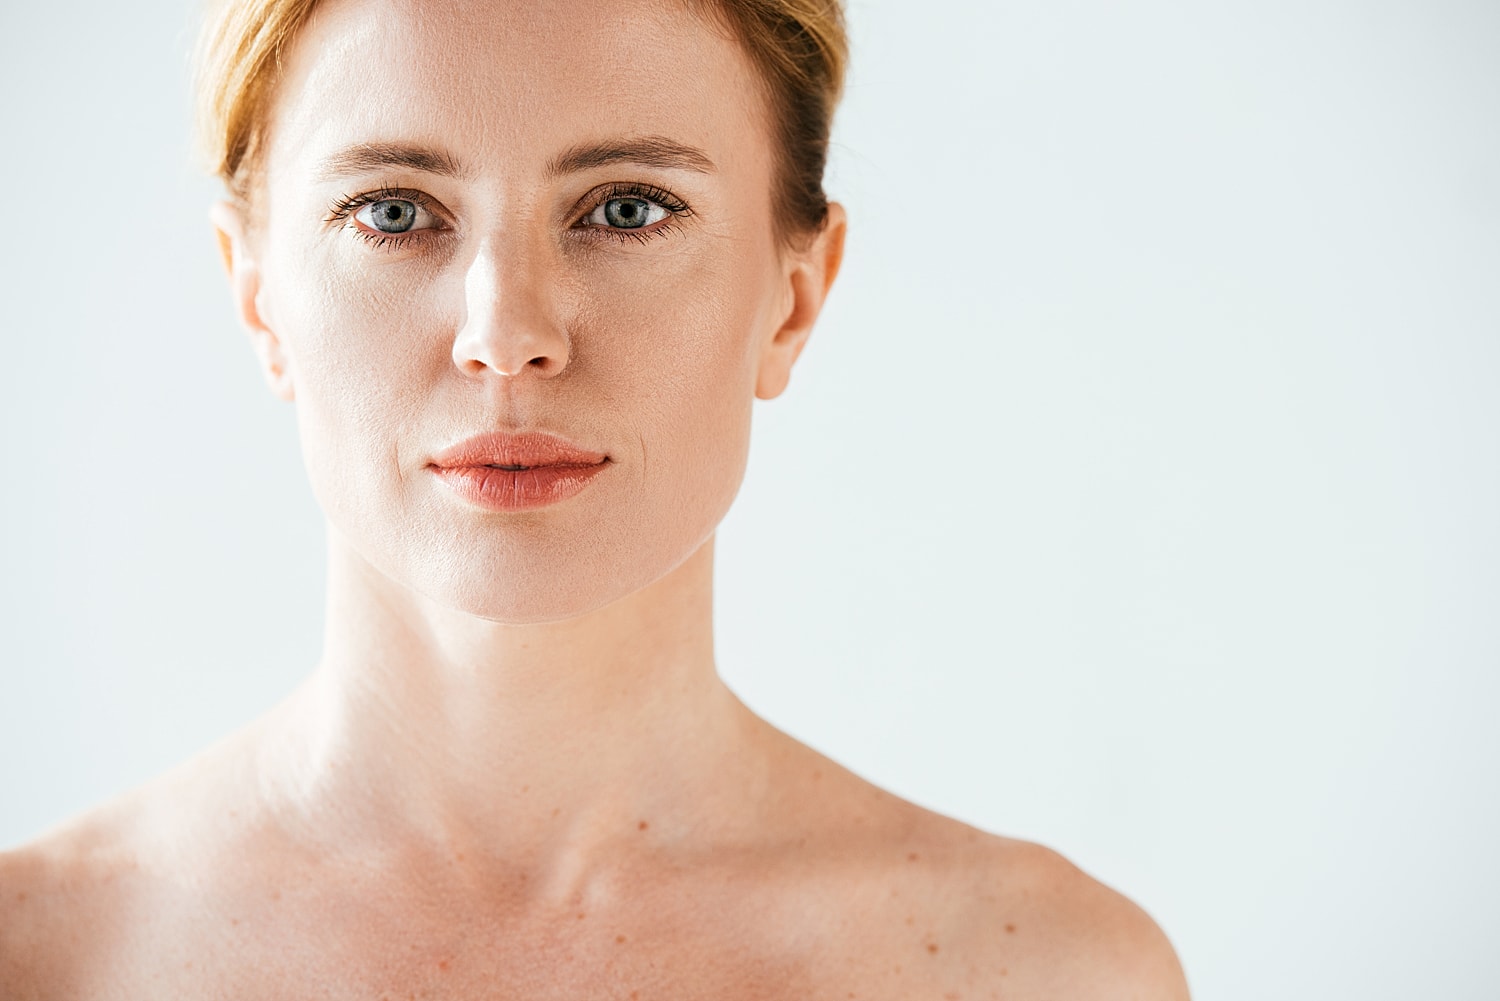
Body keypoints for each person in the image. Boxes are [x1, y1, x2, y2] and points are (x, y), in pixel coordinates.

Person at [0, 0, 1189, 996]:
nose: (506, 333)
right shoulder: (40, 957)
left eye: (627, 208)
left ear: (794, 299)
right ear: (258, 298)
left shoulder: (1047, 972)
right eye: (394, 212)